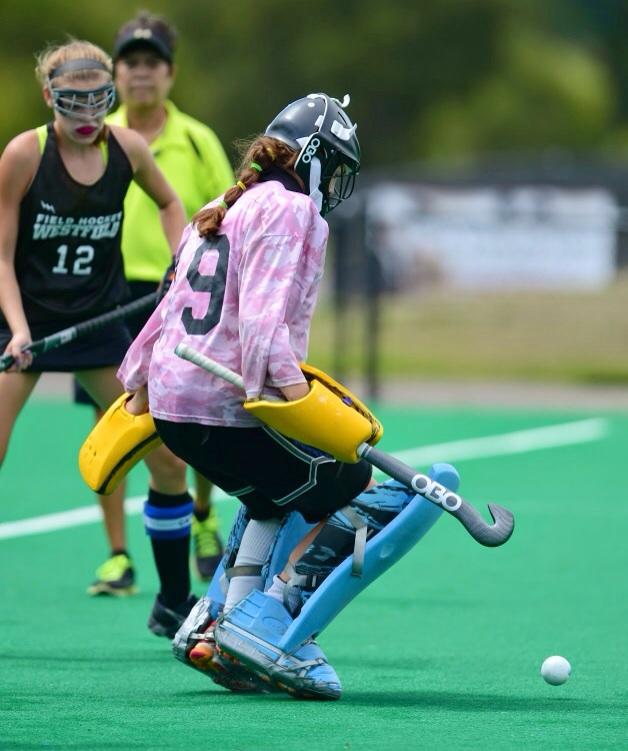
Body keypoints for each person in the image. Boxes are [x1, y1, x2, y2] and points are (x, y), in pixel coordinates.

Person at [118, 93, 401, 698]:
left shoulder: (225, 203)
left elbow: (165, 310)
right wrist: (303, 407)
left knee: (275, 495)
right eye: (338, 167)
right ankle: (270, 620)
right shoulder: (293, 209)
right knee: (356, 487)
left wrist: (137, 380)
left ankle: (221, 622)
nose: (338, 183)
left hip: (174, 407)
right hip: (223, 405)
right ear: (316, 157)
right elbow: (263, 329)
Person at [0, 39, 198, 637]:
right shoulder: (24, 154)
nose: (87, 117)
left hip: (99, 320)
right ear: (48, 98)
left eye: (97, 101)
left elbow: (169, 202)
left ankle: (173, 600)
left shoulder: (128, 148)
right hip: (25, 324)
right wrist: (17, 329)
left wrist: (180, 257)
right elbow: (1, 255)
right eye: (72, 103)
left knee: (164, 457)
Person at [73, 11, 234, 588]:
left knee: (196, 409)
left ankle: (203, 514)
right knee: (111, 420)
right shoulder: (98, 133)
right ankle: (119, 554)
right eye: (131, 64)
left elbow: (230, 205)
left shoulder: (196, 139)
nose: (142, 75)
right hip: (108, 296)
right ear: (115, 73)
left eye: (153, 64)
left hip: (181, 294)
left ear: (171, 73)